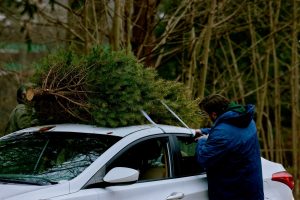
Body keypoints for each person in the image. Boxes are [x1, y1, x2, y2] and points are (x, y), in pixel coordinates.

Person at [195, 94, 264, 200]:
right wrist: (204, 131)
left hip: (233, 193)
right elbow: (233, 135)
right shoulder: (246, 120)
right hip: (251, 190)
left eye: (207, 114)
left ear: (213, 114)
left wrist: (202, 140)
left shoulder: (222, 134)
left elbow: (203, 158)